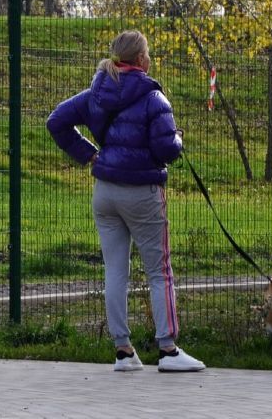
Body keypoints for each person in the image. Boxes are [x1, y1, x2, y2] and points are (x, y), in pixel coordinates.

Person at [46, 30, 205, 373]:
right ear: (141, 59)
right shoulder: (154, 97)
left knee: (115, 270)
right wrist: (178, 139)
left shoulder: (96, 93)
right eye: (148, 53)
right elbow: (165, 149)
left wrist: (89, 154)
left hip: (105, 191)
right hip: (142, 192)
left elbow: (56, 121)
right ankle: (168, 350)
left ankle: (123, 351)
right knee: (159, 271)